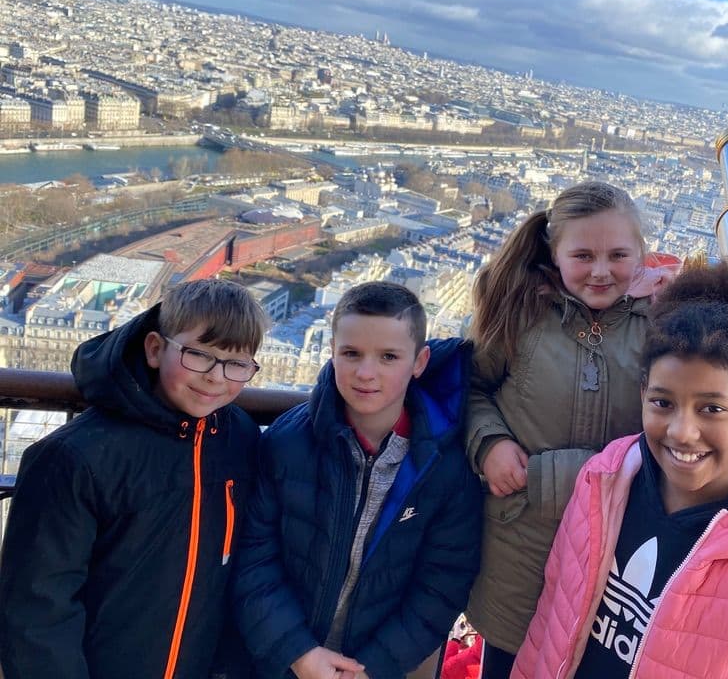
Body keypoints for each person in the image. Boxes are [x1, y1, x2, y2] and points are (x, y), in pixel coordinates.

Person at [512, 262, 728, 679]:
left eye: (712, 409)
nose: (683, 432)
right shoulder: (604, 481)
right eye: (663, 403)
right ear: (643, 394)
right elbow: (551, 623)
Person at [0, 278, 270, 679]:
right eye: (199, 355)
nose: (216, 377)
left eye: (236, 363)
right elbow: (37, 609)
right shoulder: (75, 457)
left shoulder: (239, 438)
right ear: (155, 349)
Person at [465, 181, 673, 678]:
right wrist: (488, 443)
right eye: (583, 255)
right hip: (521, 548)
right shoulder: (520, 313)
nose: (601, 271)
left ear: (642, 255)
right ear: (553, 254)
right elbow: (473, 388)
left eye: (618, 255)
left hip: (614, 549)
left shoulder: (664, 325)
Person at [232, 281, 482, 679]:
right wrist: (298, 652)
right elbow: (253, 557)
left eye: (387, 357)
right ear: (331, 352)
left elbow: (442, 585)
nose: (367, 373)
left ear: (420, 362)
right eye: (351, 354)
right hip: (278, 661)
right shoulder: (286, 443)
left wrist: (372, 668)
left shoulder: (447, 469)